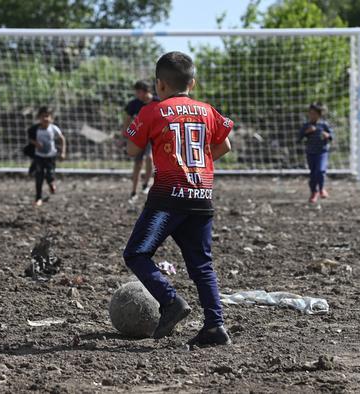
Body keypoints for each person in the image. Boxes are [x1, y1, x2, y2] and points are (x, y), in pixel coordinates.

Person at [122, 52, 234, 347]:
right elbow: (225, 146)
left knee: (136, 254)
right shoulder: (208, 111)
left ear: (159, 85)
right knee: (202, 265)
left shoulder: (152, 111)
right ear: (192, 83)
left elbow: (132, 151)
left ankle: (171, 302)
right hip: (200, 197)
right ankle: (215, 326)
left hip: (167, 199)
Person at [122, 80, 156, 202]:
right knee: (137, 164)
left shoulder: (158, 102)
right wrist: (128, 135)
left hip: (154, 137)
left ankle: (146, 184)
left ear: (146, 91)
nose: (136, 94)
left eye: (138, 92)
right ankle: (133, 192)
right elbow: (128, 123)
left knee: (150, 158)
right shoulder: (134, 104)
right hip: (139, 137)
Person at [30, 106, 66, 207]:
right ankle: (38, 198)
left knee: (50, 174)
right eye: (42, 117)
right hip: (39, 156)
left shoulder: (53, 128)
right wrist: (36, 144)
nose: (45, 119)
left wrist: (63, 152)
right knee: (39, 177)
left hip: (51, 156)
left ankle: (51, 183)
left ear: (51, 118)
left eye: (47, 116)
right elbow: (30, 138)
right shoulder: (35, 129)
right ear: (39, 118)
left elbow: (62, 139)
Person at [298, 102, 333, 203]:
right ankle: (314, 192)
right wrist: (306, 132)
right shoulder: (306, 126)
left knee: (321, 171)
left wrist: (327, 136)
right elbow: (299, 138)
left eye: (314, 114)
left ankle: (321, 189)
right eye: (310, 113)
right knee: (313, 174)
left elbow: (331, 136)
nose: (312, 116)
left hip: (322, 152)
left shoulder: (324, 125)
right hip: (310, 152)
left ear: (319, 114)